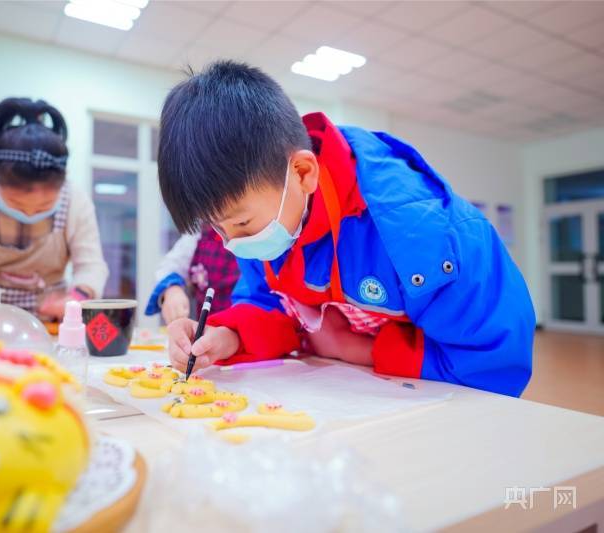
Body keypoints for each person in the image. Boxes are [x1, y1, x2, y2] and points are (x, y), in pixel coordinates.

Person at [159, 61, 535, 397]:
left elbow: (492, 366)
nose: (233, 245)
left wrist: (358, 349)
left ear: (303, 173)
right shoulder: (272, 215)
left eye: (241, 223)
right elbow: (267, 302)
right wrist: (227, 337)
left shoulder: (422, 234)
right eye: (219, 230)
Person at [0, 98, 108, 319]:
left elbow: (92, 267)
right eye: (16, 204)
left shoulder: (75, 201)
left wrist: (74, 300)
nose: (29, 213)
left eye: (45, 206)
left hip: (52, 323)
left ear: (63, 183)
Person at [145, 224, 239, 324]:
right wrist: (172, 291)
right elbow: (170, 266)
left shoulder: (250, 236)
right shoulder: (198, 232)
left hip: (246, 328)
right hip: (207, 329)